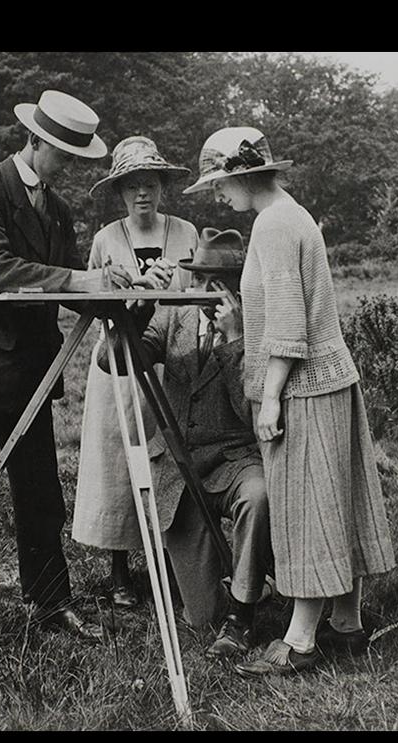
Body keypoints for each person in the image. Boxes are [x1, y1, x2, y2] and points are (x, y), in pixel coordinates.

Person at [183, 127, 396, 676]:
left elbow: (285, 323)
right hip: (328, 379)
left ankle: (300, 641)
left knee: (307, 509)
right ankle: (345, 624)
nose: (217, 195)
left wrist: (271, 398)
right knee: (335, 500)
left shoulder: (274, 225)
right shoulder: (293, 214)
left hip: (303, 385)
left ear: (242, 175)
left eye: (220, 183)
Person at [0, 89, 131, 642]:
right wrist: (78, 279)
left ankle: (50, 603)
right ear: (36, 141)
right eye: (63, 154)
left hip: (33, 377)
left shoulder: (58, 209)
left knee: (42, 498)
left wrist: (119, 291)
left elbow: (67, 279)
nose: (67, 166)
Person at [96, 227, 274, 658]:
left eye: (217, 282)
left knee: (259, 496)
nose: (204, 291)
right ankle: (243, 582)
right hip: (179, 469)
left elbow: (252, 411)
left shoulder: (256, 322)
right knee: (199, 617)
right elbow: (111, 359)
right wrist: (136, 310)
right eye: (198, 280)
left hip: (234, 460)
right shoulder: (172, 315)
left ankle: (243, 617)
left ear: (234, 286)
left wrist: (234, 341)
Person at [72, 136, 199, 608]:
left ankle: (171, 561)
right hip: (119, 365)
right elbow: (91, 301)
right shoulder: (107, 238)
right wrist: (127, 291)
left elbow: (202, 292)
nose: (141, 194)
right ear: (120, 192)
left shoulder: (186, 233)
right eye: (131, 186)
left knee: (170, 460)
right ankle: (119, 570)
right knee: (117, 460)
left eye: (149, 184)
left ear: (163, 187)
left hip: (172, 362)